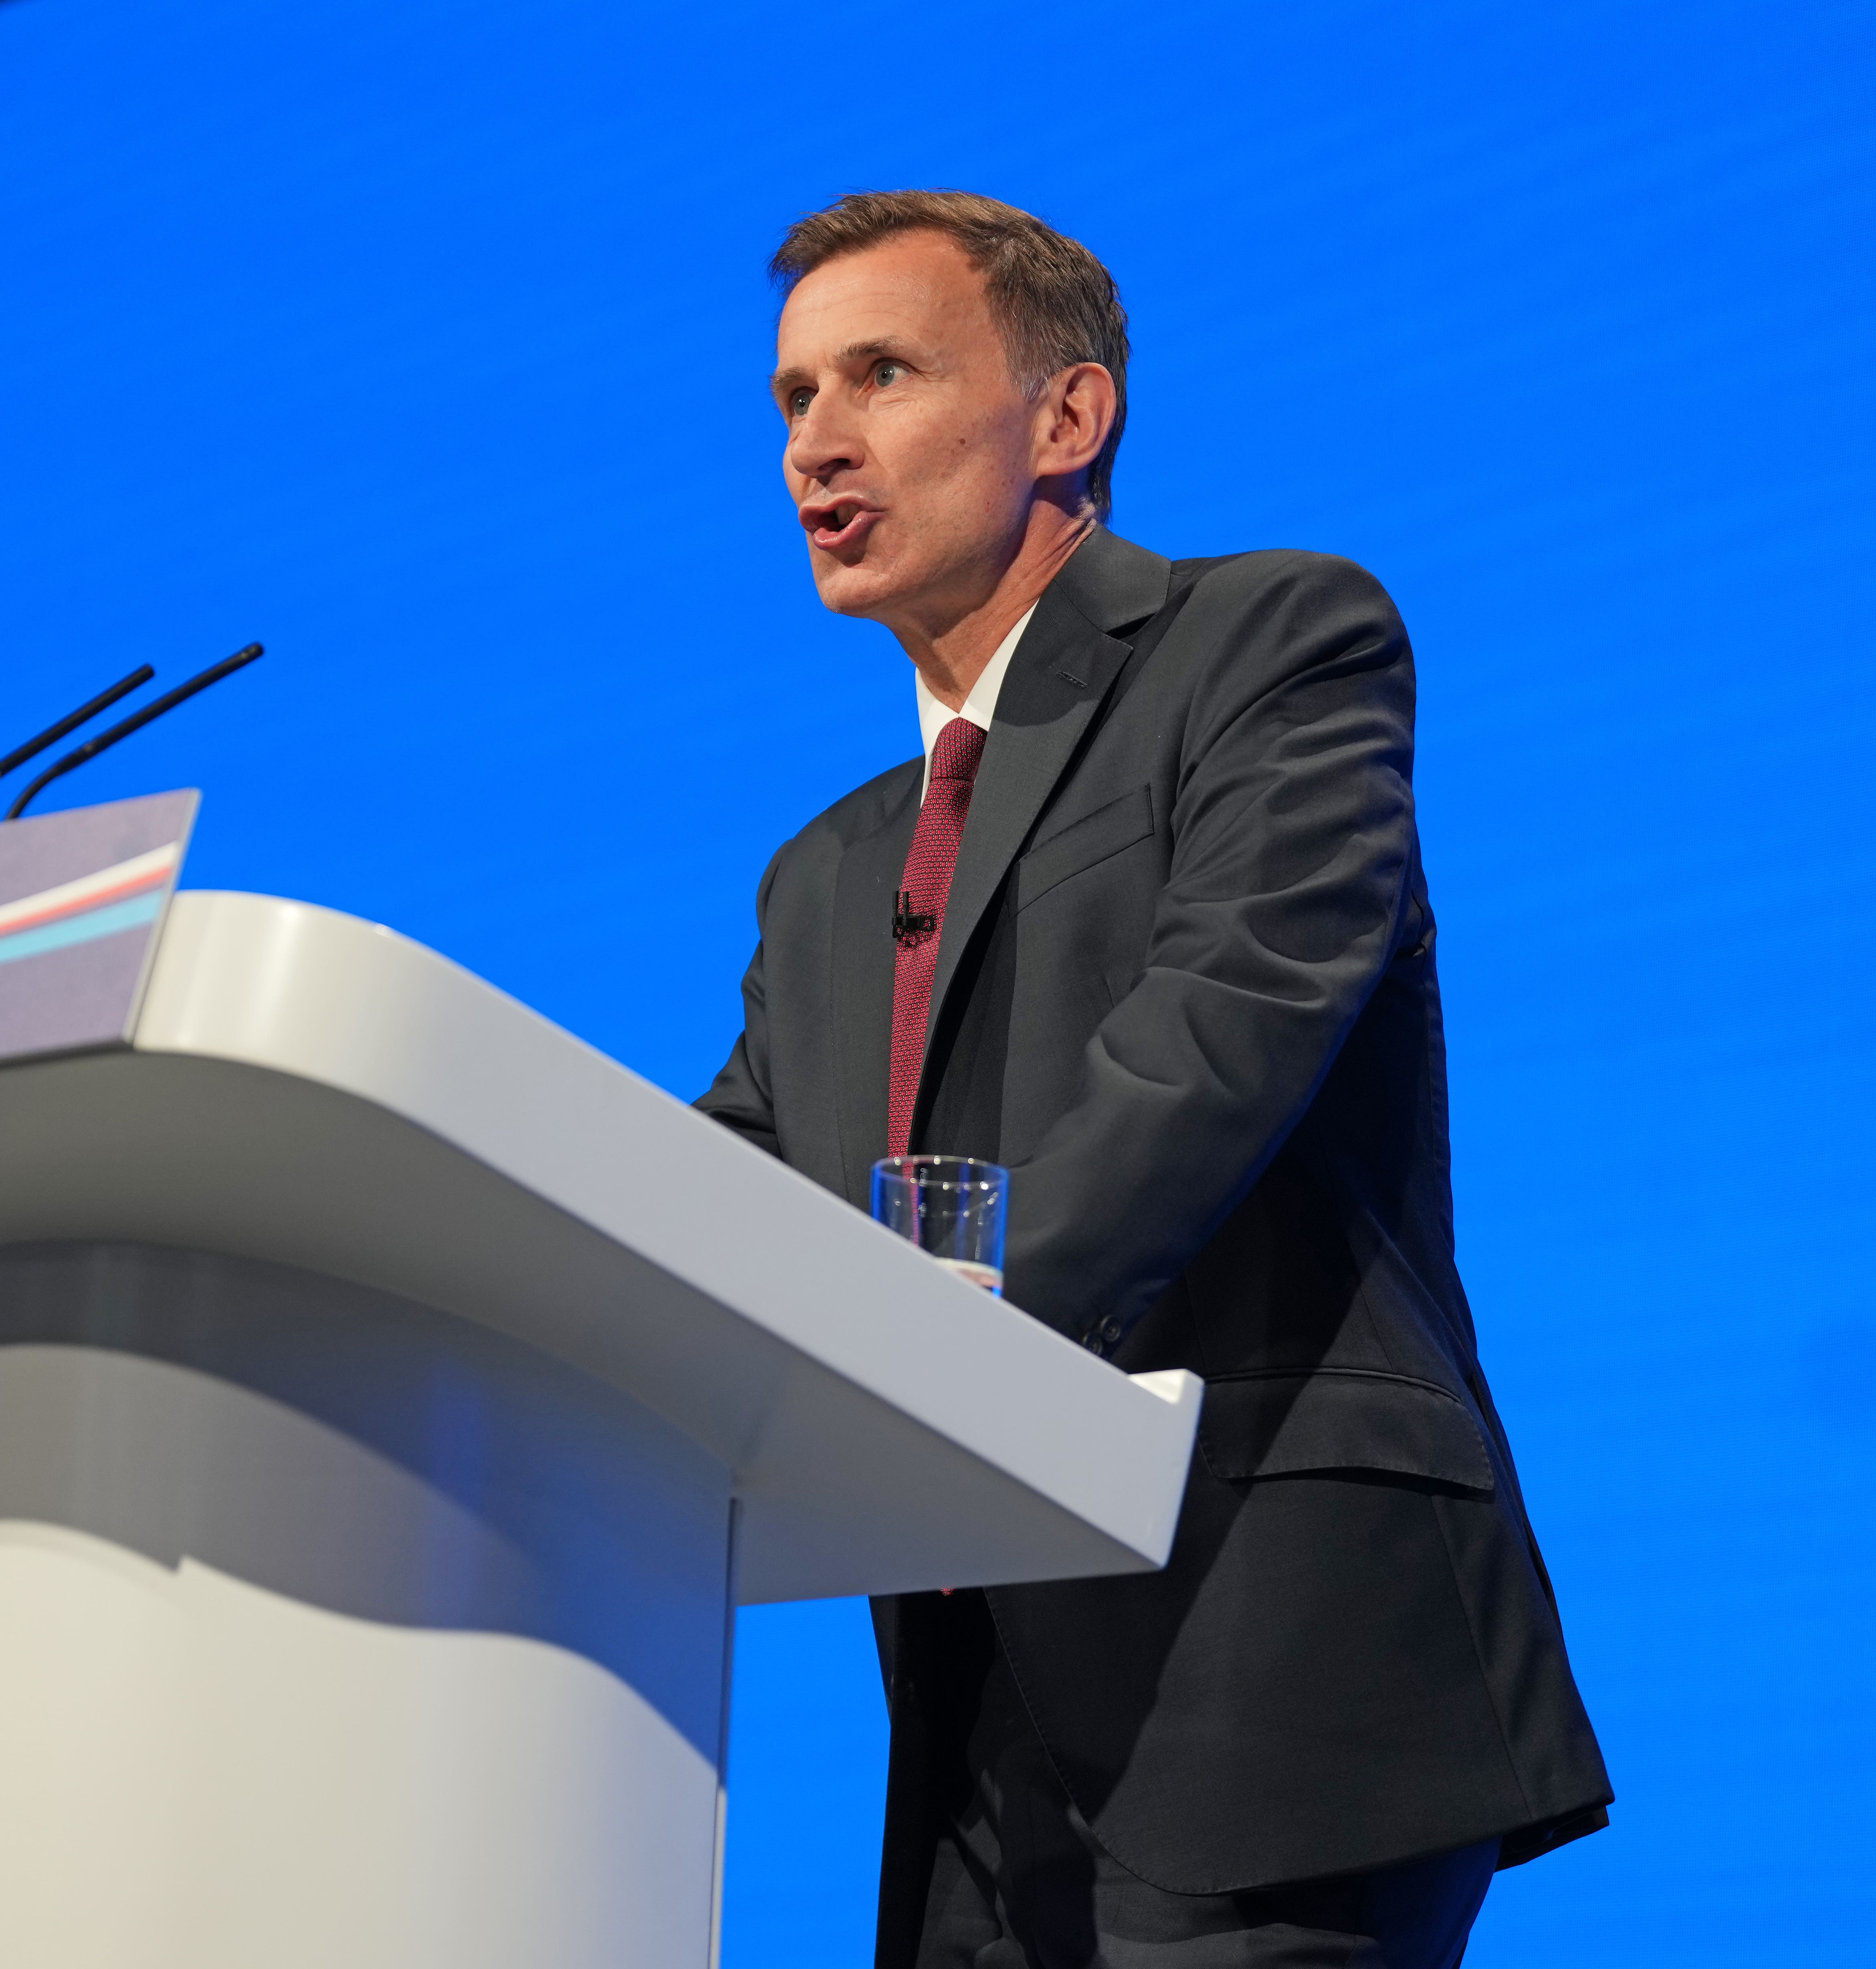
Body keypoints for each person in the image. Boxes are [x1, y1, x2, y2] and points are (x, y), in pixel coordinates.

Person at [695, 190, 1611, 1968]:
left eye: (877, 373)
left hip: (1270, 1670)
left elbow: (1224, 1026)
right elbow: (718, 1185)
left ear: (1066, 416)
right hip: (968, 1722)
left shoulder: (1266, 644)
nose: (816, 440)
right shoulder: (822, 871)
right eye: (790, 395)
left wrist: (924, 1362)